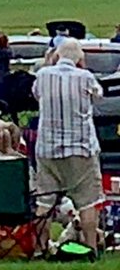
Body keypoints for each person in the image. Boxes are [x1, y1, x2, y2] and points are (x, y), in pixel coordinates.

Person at [32, 37, 104, 252]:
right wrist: (84, 69)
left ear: (56, 55)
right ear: (80, 58)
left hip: (47, 149)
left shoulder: (43, 75)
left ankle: (41, 248)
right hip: (80, 149)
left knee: (44, 201)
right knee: (88, 201)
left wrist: (48, 64)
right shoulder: (85, 77)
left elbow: (36, 94)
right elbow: (98, 96)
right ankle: (90, 247)